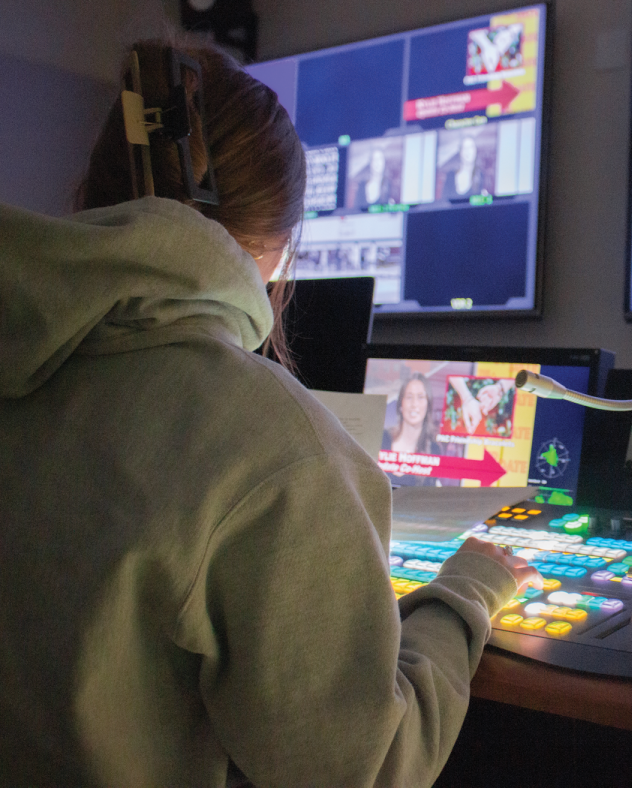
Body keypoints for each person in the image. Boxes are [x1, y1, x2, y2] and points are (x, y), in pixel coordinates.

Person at [0, 40, 539, 787]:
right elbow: (368, 769)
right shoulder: (278, 447)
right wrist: (465, 592)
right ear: (280, 251)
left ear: (95, 194)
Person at [443, 135, 485, 201]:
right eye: (465, 148)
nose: (468, 151)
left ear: (475, 150)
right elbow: (444, 201)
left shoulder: (481, 176)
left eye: (471, 147)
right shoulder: (450, 175)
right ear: (460, 152)